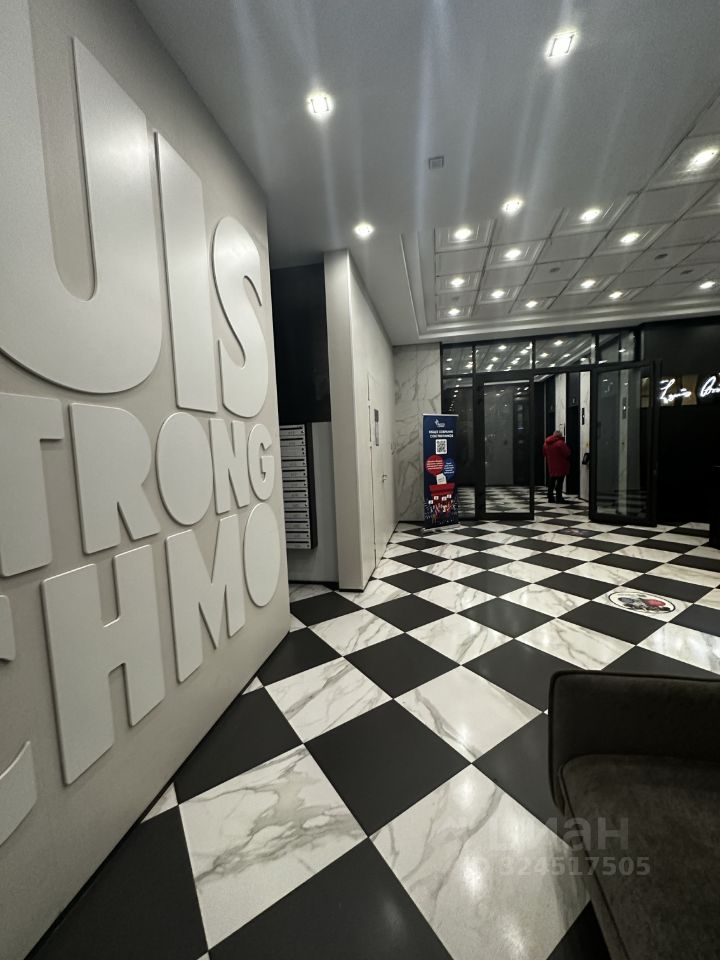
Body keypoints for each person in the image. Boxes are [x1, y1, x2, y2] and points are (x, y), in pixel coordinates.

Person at [543, 429, 571, 503]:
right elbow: (567, 453)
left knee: (551, 482)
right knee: (559, 483)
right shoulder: (561, 443)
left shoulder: (546, 443)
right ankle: (559, 498)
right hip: (561, 465)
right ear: (560, 436)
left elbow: (544, 453)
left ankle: (550, 498)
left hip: (551, 465)